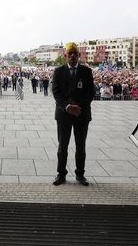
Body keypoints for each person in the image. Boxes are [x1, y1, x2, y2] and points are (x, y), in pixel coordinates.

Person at [51, 42, 95, 186]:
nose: (72, 56)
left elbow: (91, 93)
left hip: (81, 115)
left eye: (75, 53)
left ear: (79, 55)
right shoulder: (58, 71)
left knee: (80, 146)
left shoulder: (86, 72)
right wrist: (68, 106)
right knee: (62, 146)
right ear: (65, 56)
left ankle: (80, 174)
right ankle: (61, 174)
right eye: (70, 54)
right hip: (63, 115)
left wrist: (77, 107)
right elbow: (56, 92)